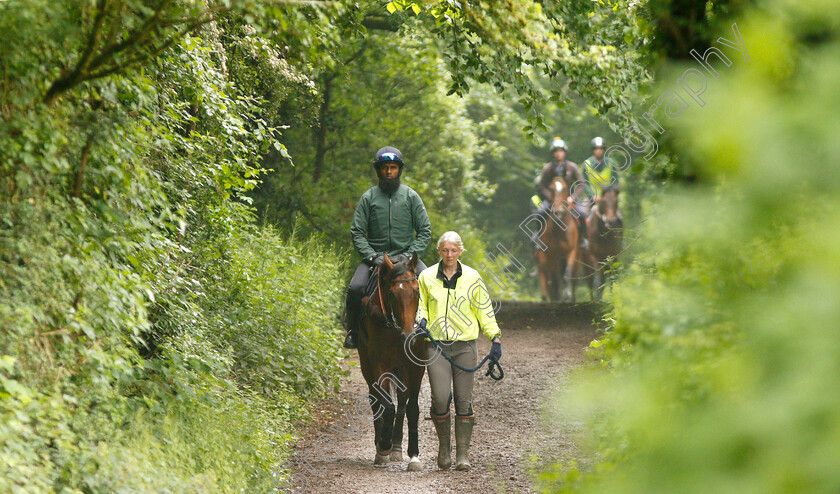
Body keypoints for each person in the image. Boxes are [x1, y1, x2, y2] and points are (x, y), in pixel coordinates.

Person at [416, 231, 502, 471]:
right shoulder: (426, 277)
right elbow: (421, 306)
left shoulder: (473, 278)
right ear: (439, 252)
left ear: (461, 252)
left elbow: (485, 310)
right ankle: (444, 448)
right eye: (445, 250)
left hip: (465, 346)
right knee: (440, 397)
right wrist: (421, 320)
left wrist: (495, 337)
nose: (449, 255)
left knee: (464, 401)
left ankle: (462, 454)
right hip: (436, 346)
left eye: (453, 250)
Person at [343, 146, 432, 349]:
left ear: (399, 170)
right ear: (378, 171)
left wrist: (409, 255)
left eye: (393, 167)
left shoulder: (411, 197)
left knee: (430, 284)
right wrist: (372, 257)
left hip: (406, 259)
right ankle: (353, 332)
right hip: (376, 258)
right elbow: (357, 232)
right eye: (385, 168)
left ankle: (433, 332)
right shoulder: (369, 198)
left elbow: (425, 230)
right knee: (355, 288)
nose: (389, 172)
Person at [530, 137, 588, 246]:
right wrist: (551, 198)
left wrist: (573, 197)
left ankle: (582, 239)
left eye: (561, 151)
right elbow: (541, 186)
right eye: (556, 151)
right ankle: (538, 236)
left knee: (582, 214)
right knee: (540, 213)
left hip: (569, 199)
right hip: (553, 200)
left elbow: (581, 184)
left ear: (564, 152)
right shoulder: (547, 168)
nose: (558, 154)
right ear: (553, 153)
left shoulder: (572, 167)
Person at [579, 137, 623, 225]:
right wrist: (592, 195)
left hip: (608, 198)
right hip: (591, 197)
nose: (599, 151)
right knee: (582, 215)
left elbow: (616, 181)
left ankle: (621, 239)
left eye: (601, 149)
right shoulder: (586, 164)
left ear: (604, 150)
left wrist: (611, 193)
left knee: (619, 218)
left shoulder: (611, 163)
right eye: (596, 149)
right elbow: (584, 183)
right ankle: (582, 238)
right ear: (593, 150)